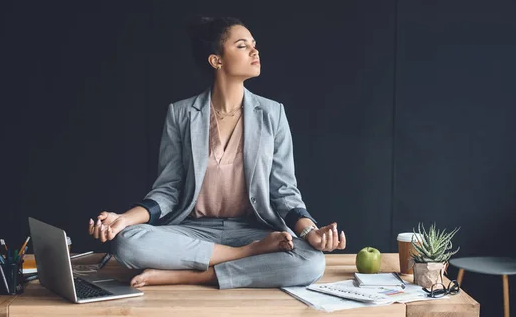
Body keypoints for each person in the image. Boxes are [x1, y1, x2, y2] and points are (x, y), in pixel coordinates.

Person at [87, 16, 347, 289]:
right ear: (217, 60)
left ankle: (192, 274)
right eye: (242, 46)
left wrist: (310, 231)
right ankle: (244, 256)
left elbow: (284, 192)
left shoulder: (273, 113)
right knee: (126, 242)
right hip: (195, 231)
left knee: (311, 261)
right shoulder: (181, 113)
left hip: (253, 229)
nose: (254, 51)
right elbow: (168, 190)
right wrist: (123, 219)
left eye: (253, 45)